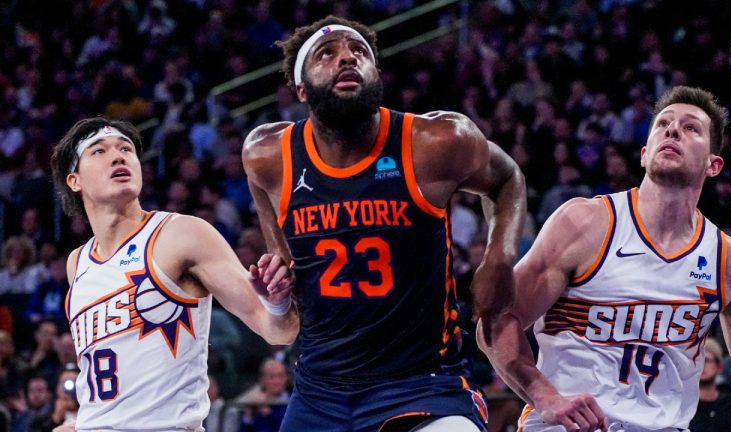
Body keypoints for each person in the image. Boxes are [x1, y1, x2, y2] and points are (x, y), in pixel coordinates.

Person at [242, 15, 526, 432]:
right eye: (327, 54)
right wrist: (277, 295)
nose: (346, 59)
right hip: (320, 391)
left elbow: (507, 178)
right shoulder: (267, 156)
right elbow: (285, 294)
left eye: (359, 52)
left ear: (378, 75)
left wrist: (499, 257)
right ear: (300, 88)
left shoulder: (438, 140)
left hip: (422, 384)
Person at [478, 86, 731, 431]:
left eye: (691, 128)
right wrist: (544, 396)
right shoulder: (585, 224)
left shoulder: (730, 260)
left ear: (713, 165)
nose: (673, 130)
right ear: (645, 154)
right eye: (663, 124)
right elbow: (495, 321)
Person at [48, 117, 299, 431]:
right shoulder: (77, 263)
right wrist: (80, 423)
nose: (118, 156)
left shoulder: (181, 234)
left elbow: (279, 331)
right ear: (75, 180)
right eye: (99, 151)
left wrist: (276, 302)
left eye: (126, 149)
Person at [689, 339, 731, 432]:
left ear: (719, 367)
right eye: (697, 361)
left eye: (706, 360)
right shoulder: (682, 408)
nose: (702, 365)